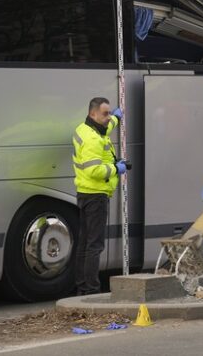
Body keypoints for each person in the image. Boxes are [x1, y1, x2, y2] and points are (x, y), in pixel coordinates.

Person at [72, 97, 126, 295]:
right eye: (105, 114)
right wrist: (116, 168)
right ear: (92, 114)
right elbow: (94, 170)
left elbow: (105, 127)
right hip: (96, 195)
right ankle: (91, 290)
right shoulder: (92, 139)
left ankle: (82, 287)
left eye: (110, 113)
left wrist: (115, 119)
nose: (108, 117)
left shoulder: (85, 129)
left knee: (84, 243)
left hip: (85, 193)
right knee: (94, 246)